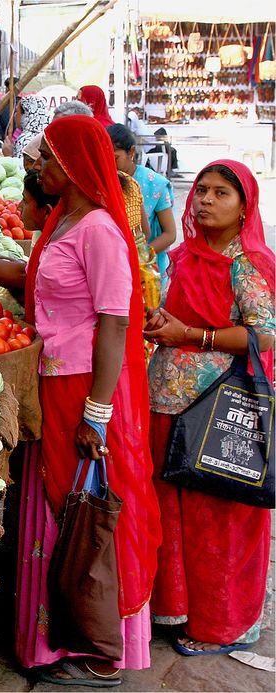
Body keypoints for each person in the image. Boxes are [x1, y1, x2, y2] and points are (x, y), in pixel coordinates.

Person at [0, 115, 161, 687]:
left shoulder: (101, 228)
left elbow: (114, 323)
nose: (37, 170)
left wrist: (97, 414)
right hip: (50, 380)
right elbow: (31, 278)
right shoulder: (64, 219)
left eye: (48, 162)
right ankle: (51, 641)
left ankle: (100, 647)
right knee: (54, 503)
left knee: (87, 509)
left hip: (83, 386)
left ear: (76, 167)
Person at [143, 160, 274, 657]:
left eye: (221, 193)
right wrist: (161, 322)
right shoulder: (182, 256)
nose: (205, 200)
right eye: (201, 190)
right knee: (172, 513)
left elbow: (265, 335)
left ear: (245, 208)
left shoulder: (250, 263)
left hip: (221, 407)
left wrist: (191, 335)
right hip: (167, 401)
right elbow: (175, 312)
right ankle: (174, 610)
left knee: (218, 517)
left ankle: (222, 622)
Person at [107, 124, 176, 286]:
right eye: (104, 159)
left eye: (114, 158)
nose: (109, 165)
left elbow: (169, 234)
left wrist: (139, 257)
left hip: (145, 271)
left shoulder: (155, 184)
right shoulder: (104, 182)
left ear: (131, 152)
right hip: (112, 266)